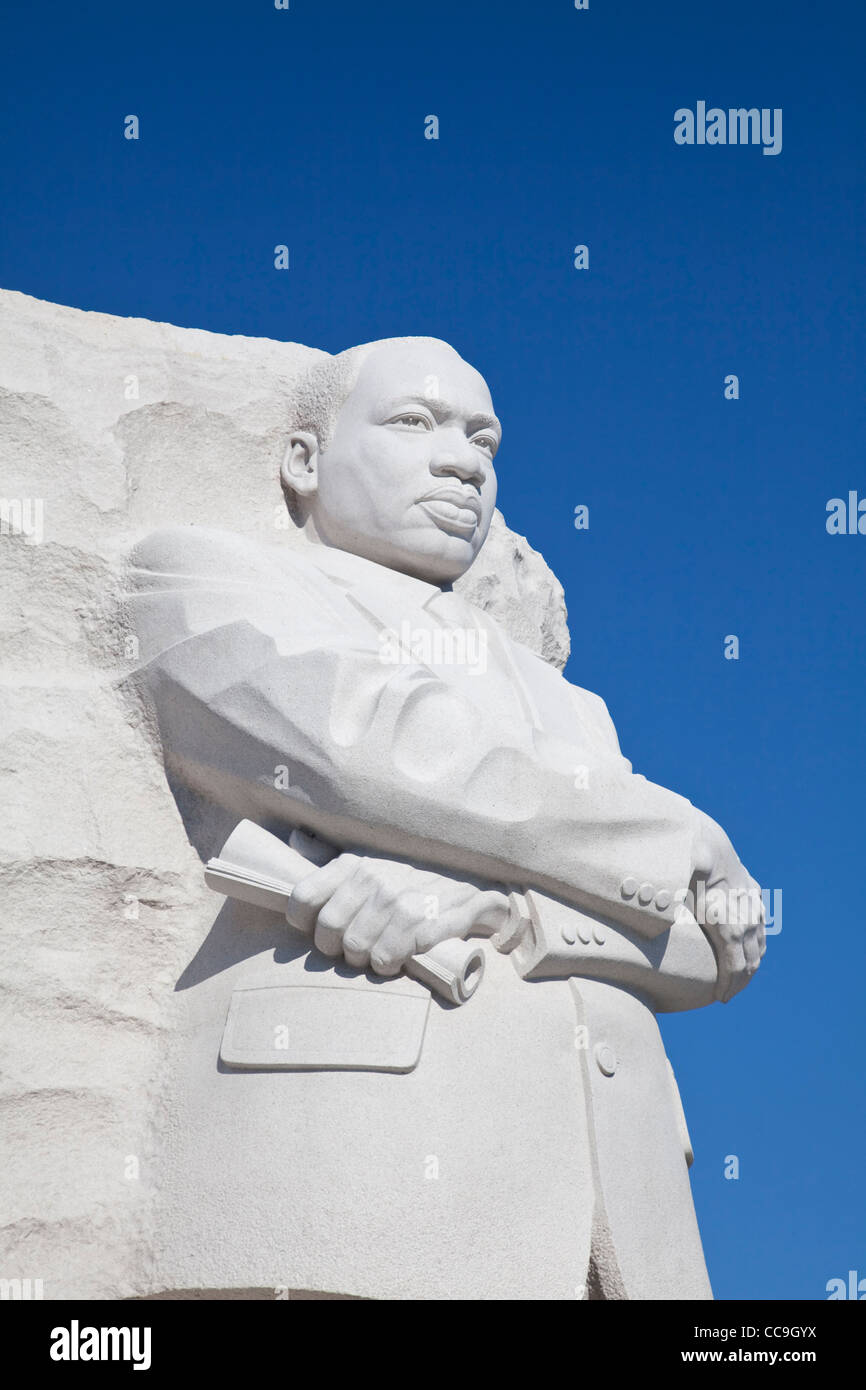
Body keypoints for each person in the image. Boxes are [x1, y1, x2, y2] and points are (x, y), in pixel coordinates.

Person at [127, 336, 764, 1300]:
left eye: (483, 438)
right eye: (415, 423)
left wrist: (514, 916)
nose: (463, 460)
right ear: (304, 462)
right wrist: (681, 837)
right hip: (348, 1179)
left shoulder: (573, 709)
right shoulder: (200, 577)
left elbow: (714, 948)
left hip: (622, 1235)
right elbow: (374, 750)